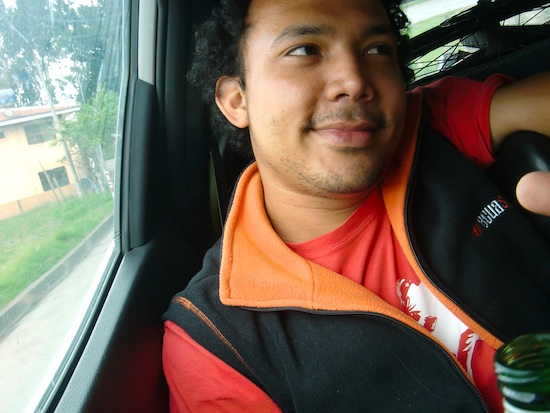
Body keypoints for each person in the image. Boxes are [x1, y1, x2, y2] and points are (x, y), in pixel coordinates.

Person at [162, 0, 550, 411]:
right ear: (237, 100)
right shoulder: (215, 342)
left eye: (377, 49)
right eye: (305, 50)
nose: (355, 80)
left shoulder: (430, 126)